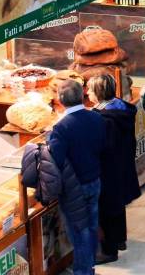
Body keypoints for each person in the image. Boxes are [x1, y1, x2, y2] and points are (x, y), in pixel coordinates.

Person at [48, 80, 106, 275]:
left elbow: (56, 158)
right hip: (95, 180)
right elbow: (102, 146)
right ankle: (89, 265)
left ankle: (83, 271)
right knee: (90, 225)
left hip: (74, 189)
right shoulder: (97, 118)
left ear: (60, 100)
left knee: (78, 232)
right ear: (82, 95)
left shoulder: (61, 128)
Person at [87, 74, 140, 265]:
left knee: (106, 210)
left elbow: (101, 148)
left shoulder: (103, 119)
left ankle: (109, 251)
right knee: (117, 207)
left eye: (90, 90)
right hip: (122, 168)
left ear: (99, 93)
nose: (87, 93)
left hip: (107, 172)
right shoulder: (121, 108)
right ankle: (119, 240)